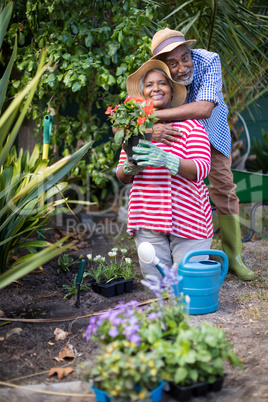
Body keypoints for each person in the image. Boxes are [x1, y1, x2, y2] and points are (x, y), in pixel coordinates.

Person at [146, 28, 255, 281]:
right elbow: (124, 120)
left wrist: (152, 117)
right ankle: (178, 250)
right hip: (175, 135)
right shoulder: (154, 75)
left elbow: (205, 109)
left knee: (223, 187)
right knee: (173, 187)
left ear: (190, 51)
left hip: (211, 131)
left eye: (185, 58)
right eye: (172, 63)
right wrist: (153, 130)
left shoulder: (209, 60)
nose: (182, 67)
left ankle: (234, 256)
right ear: (162, 65)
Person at [116, 59, 213, 280]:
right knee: (157, 287)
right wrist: (131, 166)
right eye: (149, 85)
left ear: (171, 91)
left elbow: (201, 169)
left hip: (190, 220)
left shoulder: (191, 125)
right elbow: (121, 176)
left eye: (162, 83)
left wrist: (168, 159)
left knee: (187, 286)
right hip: (148, 217)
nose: (156, 88)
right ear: (143, 93)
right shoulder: (134, 130)